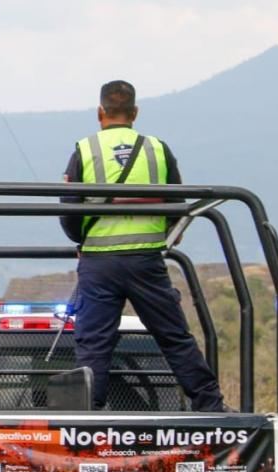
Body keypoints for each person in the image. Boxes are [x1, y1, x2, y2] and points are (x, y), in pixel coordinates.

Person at [60, 80, 227, 412]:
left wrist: (82, 240)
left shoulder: (85, 149)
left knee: (94, 342)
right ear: (135, 113)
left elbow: (68, 208)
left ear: (99, 112)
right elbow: (177, 202)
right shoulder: (157, 149)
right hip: (146, 260)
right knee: (173, 335)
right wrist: (166, 234)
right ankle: (210, 404)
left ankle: (87, 413)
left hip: (99, 263)